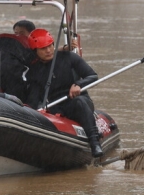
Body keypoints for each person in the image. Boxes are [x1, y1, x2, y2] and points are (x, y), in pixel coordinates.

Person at [24, 28, 103, 158]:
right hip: (55, 105)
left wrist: (78, 85)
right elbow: (34, 96)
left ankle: (95, 143)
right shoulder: (34, 70)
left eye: (50, 46)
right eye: (43, 48)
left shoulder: (69, 57)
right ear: (35, 51)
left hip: (77, 101)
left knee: (79, 102)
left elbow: (93, 76)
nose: (48, 50)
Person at [13, 19, 79, 51]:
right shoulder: (12, 48)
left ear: (31, 34)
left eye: (22, 33)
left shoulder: (37, 47)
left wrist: (66, 48)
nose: (18, 36)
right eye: (16, 33)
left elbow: (52, 51)